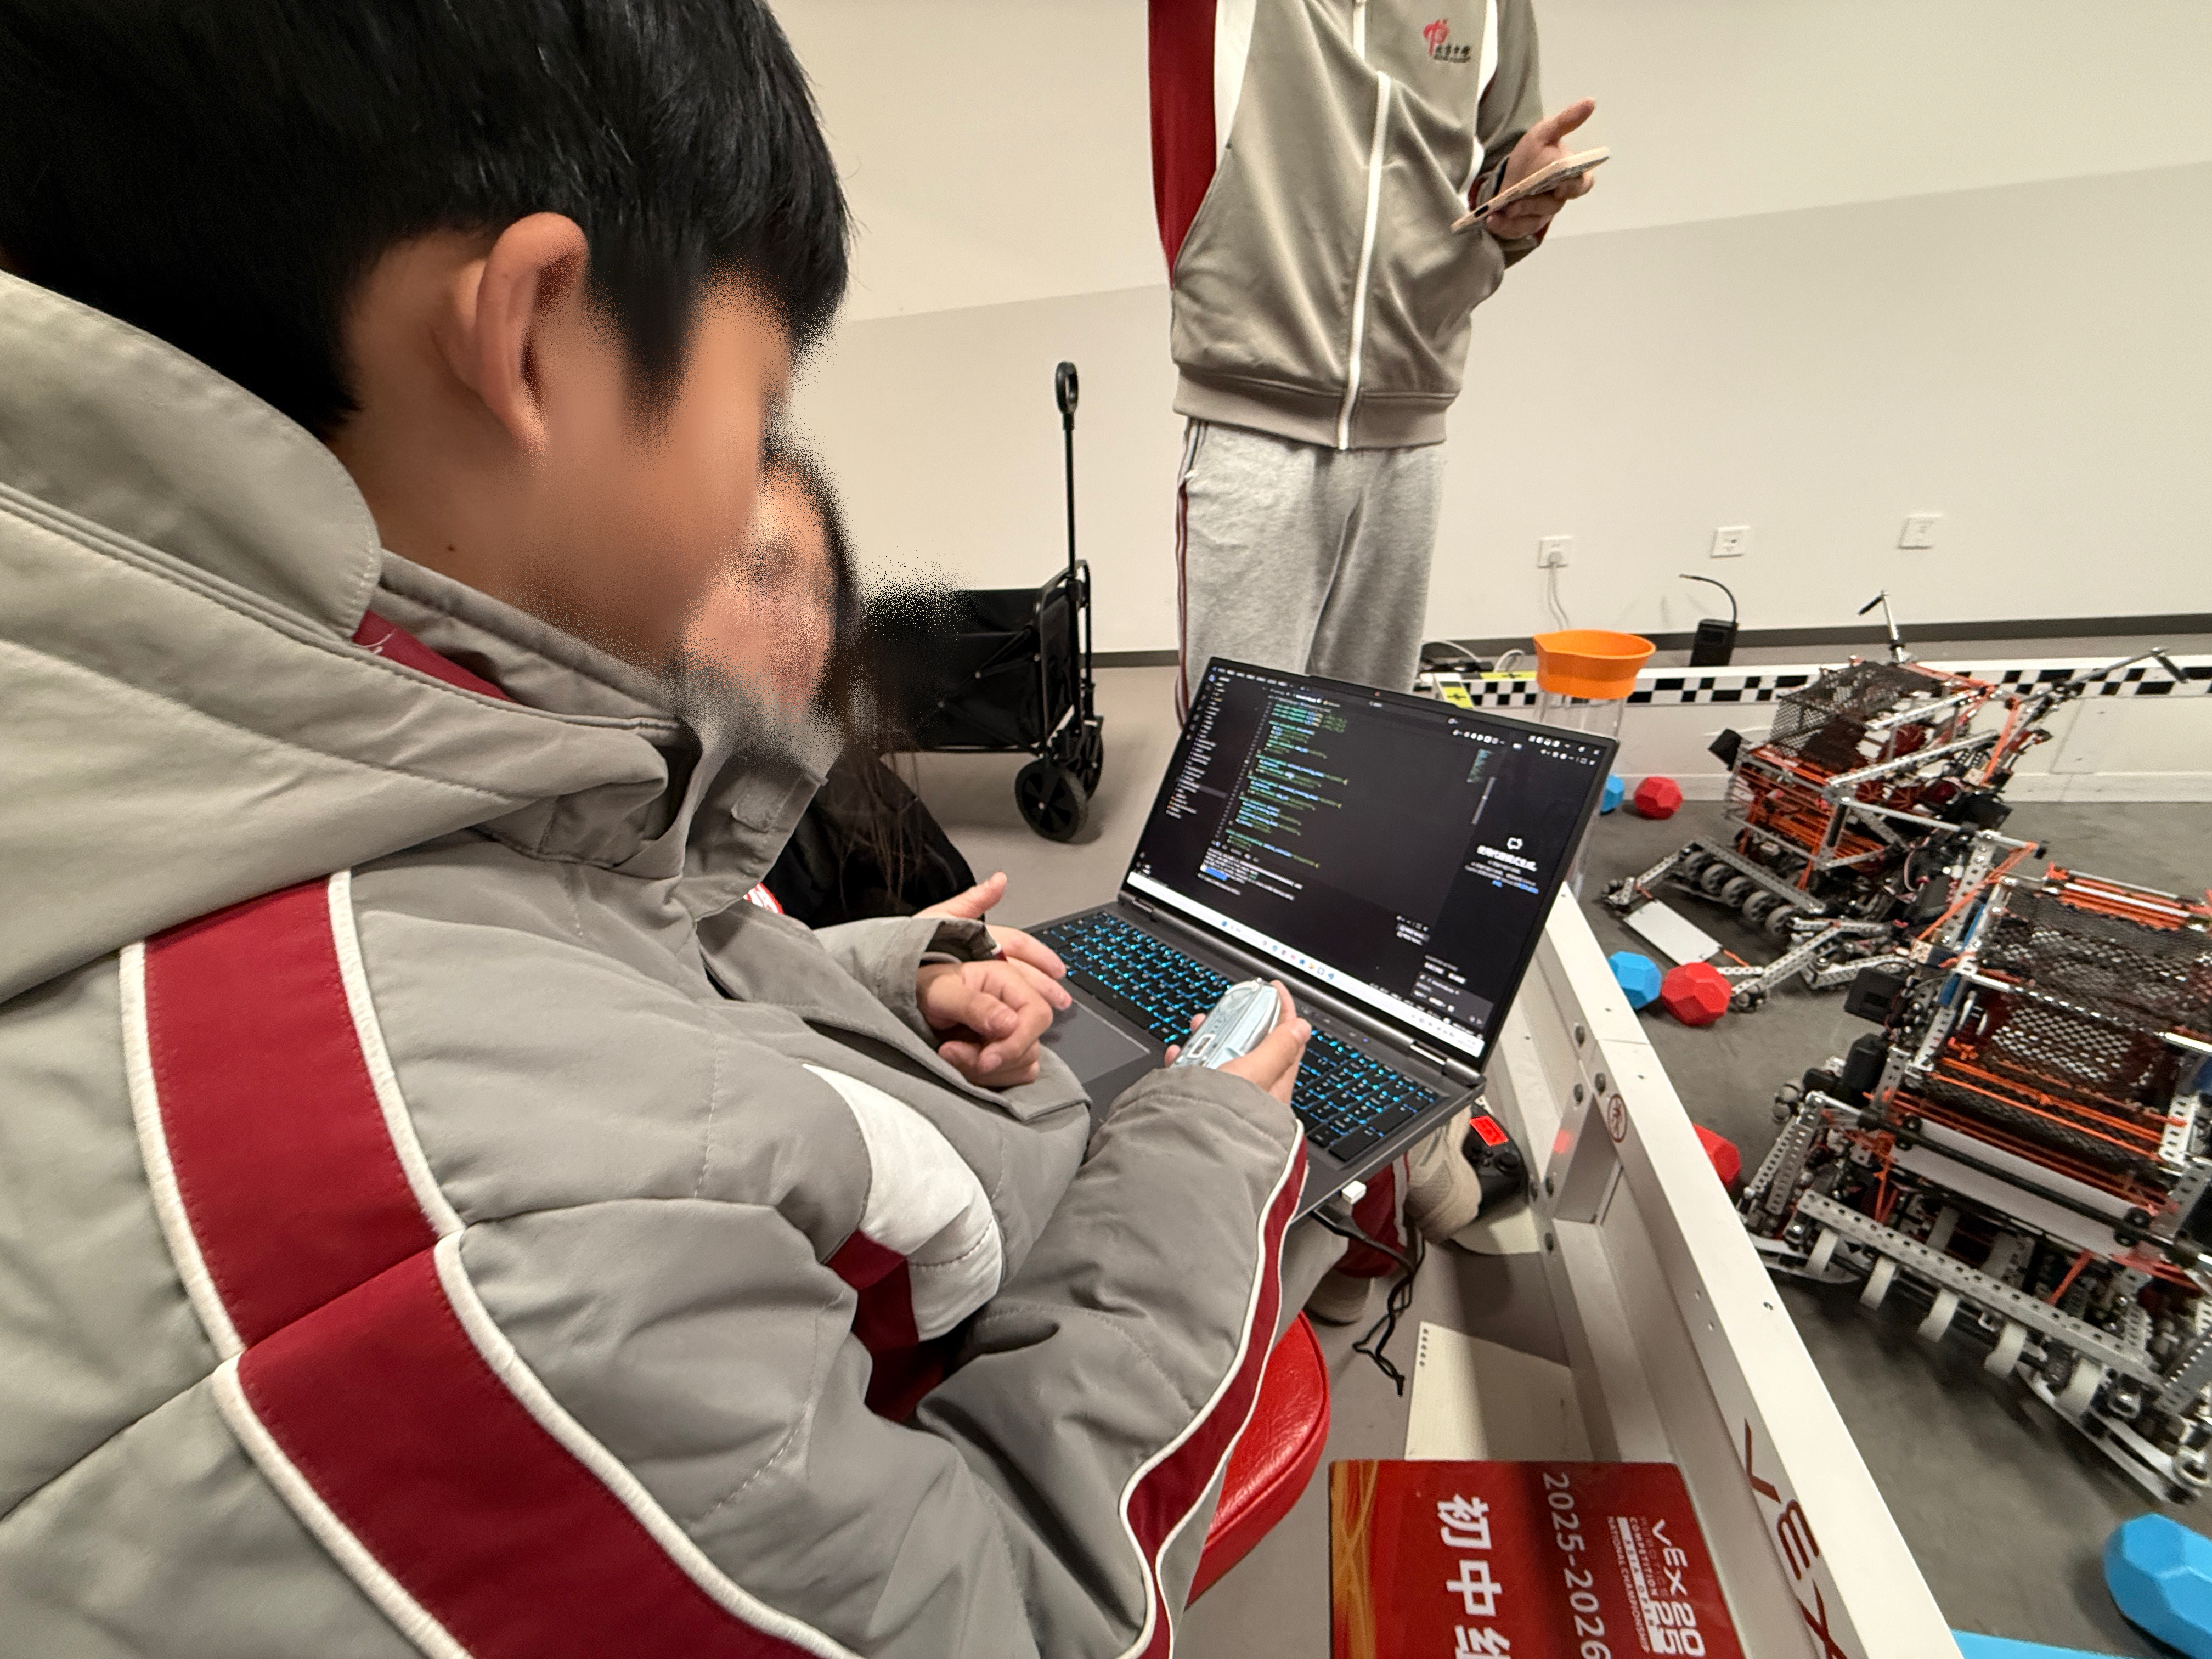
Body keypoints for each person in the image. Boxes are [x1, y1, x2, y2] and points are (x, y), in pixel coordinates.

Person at [0, 5, 1323, 1654]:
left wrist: (888, 974)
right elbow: (1013, 1619)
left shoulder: (289, 801)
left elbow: (598, 976)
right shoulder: (472, 1223)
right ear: (541, 335)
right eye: (753, 402)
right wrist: (1200, 1146)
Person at [1149, 0, 1596, 710]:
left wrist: (1523, 202)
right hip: (1253, 414)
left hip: (1410, 425)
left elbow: (1500, 174)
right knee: (1232, 758)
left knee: (1359, 743)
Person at [684, 448, 983, 927]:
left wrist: (918, 964)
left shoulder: (836, 775)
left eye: (822, 594)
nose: (808, 625)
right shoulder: (606, 835)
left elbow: (960, 908)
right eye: (765, 575)